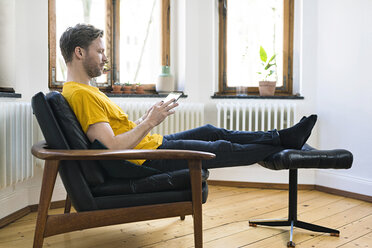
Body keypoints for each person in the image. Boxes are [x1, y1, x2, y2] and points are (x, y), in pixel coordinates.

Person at [60, 24, 317, 173]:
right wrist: (149, 123)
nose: (105, 58)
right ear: (80, 52)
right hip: (147, 157)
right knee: (220, 149)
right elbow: (112, 150)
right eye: (100, 51)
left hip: (149, 145)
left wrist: (146, 119)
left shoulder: (85, 90)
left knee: (209, 130)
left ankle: (279, 137)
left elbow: (112, 132)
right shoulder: (81, 94)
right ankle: (287, 142)